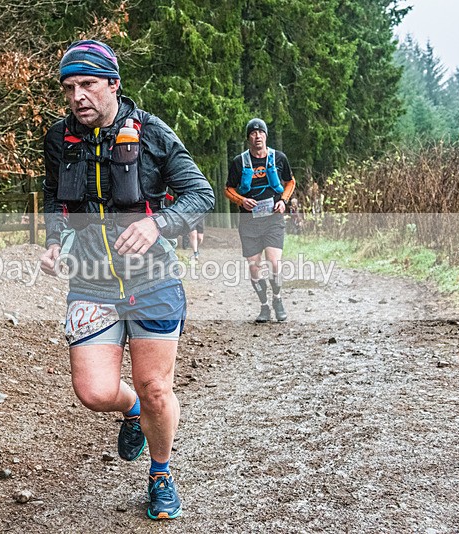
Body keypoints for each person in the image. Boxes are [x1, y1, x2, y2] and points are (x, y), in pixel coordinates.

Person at [39, 40, 214, 520]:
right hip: (91, 280)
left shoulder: (152, 134)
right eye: (70, 87)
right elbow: (56, 198)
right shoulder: (58, 139)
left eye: (88, 85)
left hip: (153, 280)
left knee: (157, 385)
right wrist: (55, 241)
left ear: (114, 84)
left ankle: (161, 474)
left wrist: (157, 223)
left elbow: (201, 193)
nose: (78, 96)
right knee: (94, 392)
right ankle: (130, 407)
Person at [225, 118, 296, 322]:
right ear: (248, 138)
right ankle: (264, 306)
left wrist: (283, 201)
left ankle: (278, 299)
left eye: (261, 133)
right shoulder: (239, 162)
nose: (257, 137)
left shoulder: (278, 158)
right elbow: (227, 189)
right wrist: (241, 200)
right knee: (254, 267)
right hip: (249, 221)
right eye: (253, 133)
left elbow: (290, 182)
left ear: (266, 135)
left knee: (274, 262)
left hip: (273, 217)